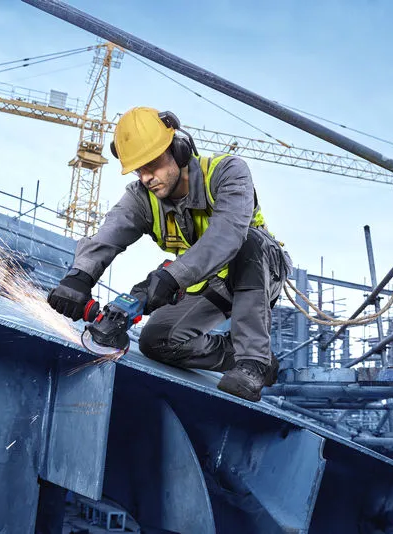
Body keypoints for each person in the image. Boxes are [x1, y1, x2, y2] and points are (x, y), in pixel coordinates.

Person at [47, 107, 290, 402]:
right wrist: (79, 277)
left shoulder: (228, 172)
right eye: (139, 169)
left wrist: (168, 278)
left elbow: (226, 236)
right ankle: (244, 356)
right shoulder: (140, 197)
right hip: (207, 280)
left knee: (250, 242)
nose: (147, 177)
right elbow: (110, 232)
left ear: (178, 149)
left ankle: (253, 363)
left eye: (153, 164)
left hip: (258, 268)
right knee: (157, 341)